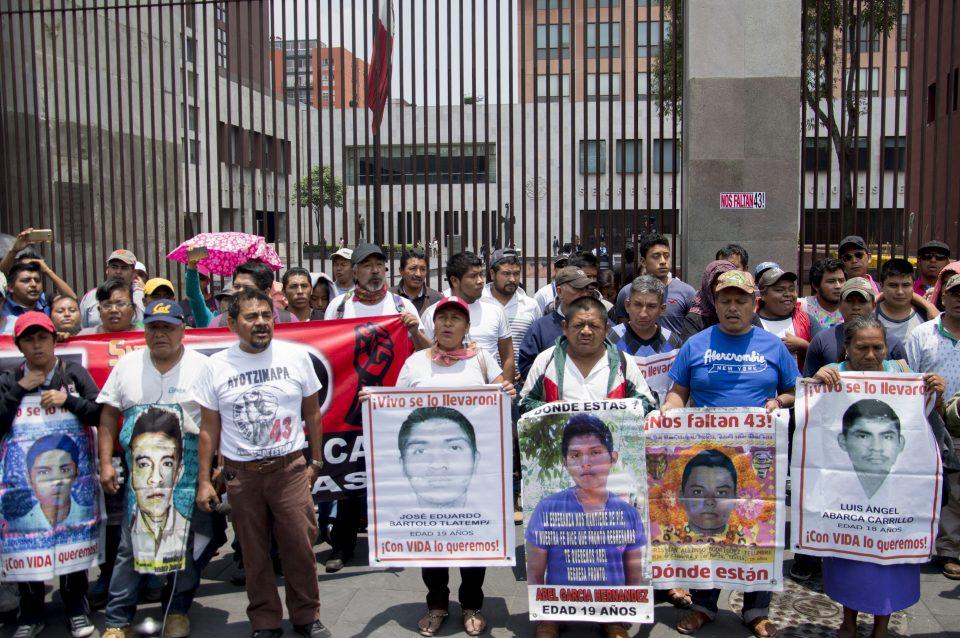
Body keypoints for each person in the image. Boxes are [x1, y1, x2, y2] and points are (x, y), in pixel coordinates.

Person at [662, 270, 799, 638]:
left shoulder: (773, 347)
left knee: (757, 528)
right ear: (716, 304)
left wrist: (778, 402)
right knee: (707, 529)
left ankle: (756, 610)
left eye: (741, 300)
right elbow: (678, 392)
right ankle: (704, 606)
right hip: (706, 458)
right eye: (726, 300)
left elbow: (793, 390)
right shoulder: (696, 345)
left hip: (758, 459)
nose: (733, 307)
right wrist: (668, 412)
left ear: (755, 304)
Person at [194, 288, 330, 638]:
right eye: (251, 316)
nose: (261, 323)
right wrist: (205, 480)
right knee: (254, 554)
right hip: (243, 476)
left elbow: (313, 413)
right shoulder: (215, 367)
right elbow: (208, 429)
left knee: (300, 548)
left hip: (290, 470)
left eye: (266, 315)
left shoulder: (296, 357)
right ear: (232, 324)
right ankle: (265, 621)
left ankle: (306, 616)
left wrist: (315, 461)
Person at [382, 295, 515, 637]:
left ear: (467, 327)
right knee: (431, 540)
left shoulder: (482, 359)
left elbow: (499, 394)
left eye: (456, 318)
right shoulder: (415, 363)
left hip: (470, 475)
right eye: (442, 318)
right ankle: (437, 605)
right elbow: (394, 407)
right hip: (429, 474)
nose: (448, 324)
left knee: (474, 539)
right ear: (432, 325)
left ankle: (472, 605)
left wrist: (506, 389)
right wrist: (374, 403)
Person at [810, 315, 947, 638]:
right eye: (862, 348)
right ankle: (848, 621)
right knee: (850, 562)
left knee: (889, 564)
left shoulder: (902, 375)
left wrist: (936, 393)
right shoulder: (834, 375)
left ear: (887, 348)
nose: (871, 355)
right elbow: (812, 416)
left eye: (878, 347)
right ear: (847, 348)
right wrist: (816, 381)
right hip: (846, 495)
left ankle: (881, 628)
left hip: (895, 497)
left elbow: (925, 417)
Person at [95, 300, 217, 638]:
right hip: (139, 480)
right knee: (129, 548)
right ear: (144, 330)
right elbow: (108, 416)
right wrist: (105, 464)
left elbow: (211, 424)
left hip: (186, 478)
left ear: (183, 330)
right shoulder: (127, 365)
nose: (160, 334)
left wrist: (206, 478)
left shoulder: (203, 367)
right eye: (153, 327)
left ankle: (176, 610)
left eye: (168, 327)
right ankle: (117, 621)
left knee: (184, 546)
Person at [323, 244, 429, 572]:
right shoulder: (339, 307)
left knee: (394, 474)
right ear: (354, 271)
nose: (374, 270)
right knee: (349, 475)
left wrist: (413, 329)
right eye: (366, 265)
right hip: (351, 405)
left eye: (379, 264)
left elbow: (427, 352)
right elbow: (328, 353)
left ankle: (396, 541)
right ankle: (342, 545)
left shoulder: (401, 305)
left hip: (393, 407)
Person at [0, 312, 101, 638]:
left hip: (73, 482)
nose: (37, 345)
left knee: (74, 541)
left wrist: (67, 400)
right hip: (24, 487)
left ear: (54, 340)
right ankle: (31, 615)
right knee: (28, 548)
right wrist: (19, 390)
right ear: (19, 346)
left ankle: (76, 610)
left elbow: (99, 412)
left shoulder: (72, 374)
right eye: (29, 340)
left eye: (42, 337)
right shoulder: (9, 379)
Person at [525, 414, 647, 638]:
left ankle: (612, 621)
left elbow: (634, 571)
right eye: (575, 455)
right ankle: (551, 620)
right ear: (565, 463)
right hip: (558, 604)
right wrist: (543, 612)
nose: (585, 463)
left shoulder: (628, 513)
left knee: (615, 626)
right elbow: (535, 570)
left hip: (612, 605)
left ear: (613, 458)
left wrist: (628, 608)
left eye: (595, 452)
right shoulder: (548, 508)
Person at [905, 271, 960, 580]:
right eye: (956, 294)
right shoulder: (922, 334)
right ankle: (941, 548)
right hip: (931, 422)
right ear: (944, 296)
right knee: (937, 487)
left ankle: (951, 547)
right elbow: (907, 379)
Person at [520, 296, 656, 414]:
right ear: (565, 327)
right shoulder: (546, 360)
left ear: (606, 330)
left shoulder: (623, 362)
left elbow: (647, 403)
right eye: (578, 325)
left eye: (594, 326)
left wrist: (620, 409)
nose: (586, 331)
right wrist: (551, 410)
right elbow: (525, 403)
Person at [422, 251, 515, 382]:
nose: (480, 281)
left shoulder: (496, 310)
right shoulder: (432, 313)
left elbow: (508, 357)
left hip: (487, 392)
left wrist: (504, 391)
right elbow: (424, 356)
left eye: (481, 274)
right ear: (455, 281)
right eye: (473, 276)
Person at [804, 277, 908, 377]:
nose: (856, 307)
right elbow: (807, 384)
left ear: (873, 306)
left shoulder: (894, 343)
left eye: (862, 301)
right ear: (840, 305)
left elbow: (908, 382)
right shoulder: (821, 340)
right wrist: (817, 379)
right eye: (849, 301)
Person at [608, 276, 682, 404]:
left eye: (651, 306)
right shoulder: (610, 339)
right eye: (637, 305)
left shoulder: (673, 341)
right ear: (627, 305)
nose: (643, 313)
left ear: (662, 309)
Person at [518, 267, 601, 381]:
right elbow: (526, 369)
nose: (584, 294)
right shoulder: (540, 328)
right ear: (559, 291)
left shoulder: (601, 325)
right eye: (578, 288)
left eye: (586, 289)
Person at [613, 234, 696, 333]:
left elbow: (693, 332)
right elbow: (622, 332)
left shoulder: (687, 292)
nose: (663, 261)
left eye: (666, 256)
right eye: (656, 256)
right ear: (643, 261)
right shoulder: (627, 292)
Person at [482, 248, 541, 374]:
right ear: (492, 274)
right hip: (484, 381)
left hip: (521, 380)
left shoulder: (531, 305)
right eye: (506, 274)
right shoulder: (479, 302)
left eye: (516, 273)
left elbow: (538, 344)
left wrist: (527, 371)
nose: (513, 279)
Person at [186, 259, 295, 328]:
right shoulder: (218, 323)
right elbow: (195, 297)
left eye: (247, 287)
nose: (239, 292)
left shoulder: (288, 321)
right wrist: (191, 267)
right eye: (237, 287)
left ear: (266, 291)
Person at [755, 267, 817, 368]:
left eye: (792, 289)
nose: (788, 294)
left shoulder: (807, 320)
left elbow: (825, 356)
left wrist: (804, 346)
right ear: (763, 295)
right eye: (779, 290)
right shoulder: (750, 322)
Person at [77, 249, 145, 329]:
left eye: (124, 268)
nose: (118, 272)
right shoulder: (90, 297)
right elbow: (82, 327)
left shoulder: (142, 297)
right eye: (114, 267)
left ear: (133, 273)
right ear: (107, 270)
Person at [876, 258, 937, 344]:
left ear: (913, 285)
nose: (900, 292)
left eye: (906, 285)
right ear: (881, 286)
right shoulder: (870, 315)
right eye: (893, 285)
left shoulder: (927, 315)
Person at [679, 450, 739, 536]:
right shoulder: (667, 538)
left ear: (735, 499)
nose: (710, 501)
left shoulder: (748, 540)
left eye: (721, 493)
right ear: (681, 497)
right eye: (698, 492)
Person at [678, 259, 738, 342]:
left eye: (728, 282)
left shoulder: (745, 315)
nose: (723, 287)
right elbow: (690, 348)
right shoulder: (694, 320)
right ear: (708, 286)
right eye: (718, 283)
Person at [77, 279, 142, 335]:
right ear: (99, 310)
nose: (114, 310)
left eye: (120, 304)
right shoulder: (84, 337)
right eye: (107, 305)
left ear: (133, 309)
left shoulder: (145, 337)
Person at [391, 247, 443, 314]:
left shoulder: (437, 299)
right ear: (401, 271)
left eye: (423, 269)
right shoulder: (389, 296)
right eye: (413, 268)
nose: (418, 274)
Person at [799, 257, 846, 331]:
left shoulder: (851, 308)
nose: (838, 286)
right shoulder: (802, 306)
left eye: (841, 281)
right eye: (831, 281)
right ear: (815, 286)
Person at [1, 261, 48, 334]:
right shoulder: (2, 311)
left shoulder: (50, 311)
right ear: (10, 287)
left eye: (37, 280)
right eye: (26, 281)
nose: (34, 284)